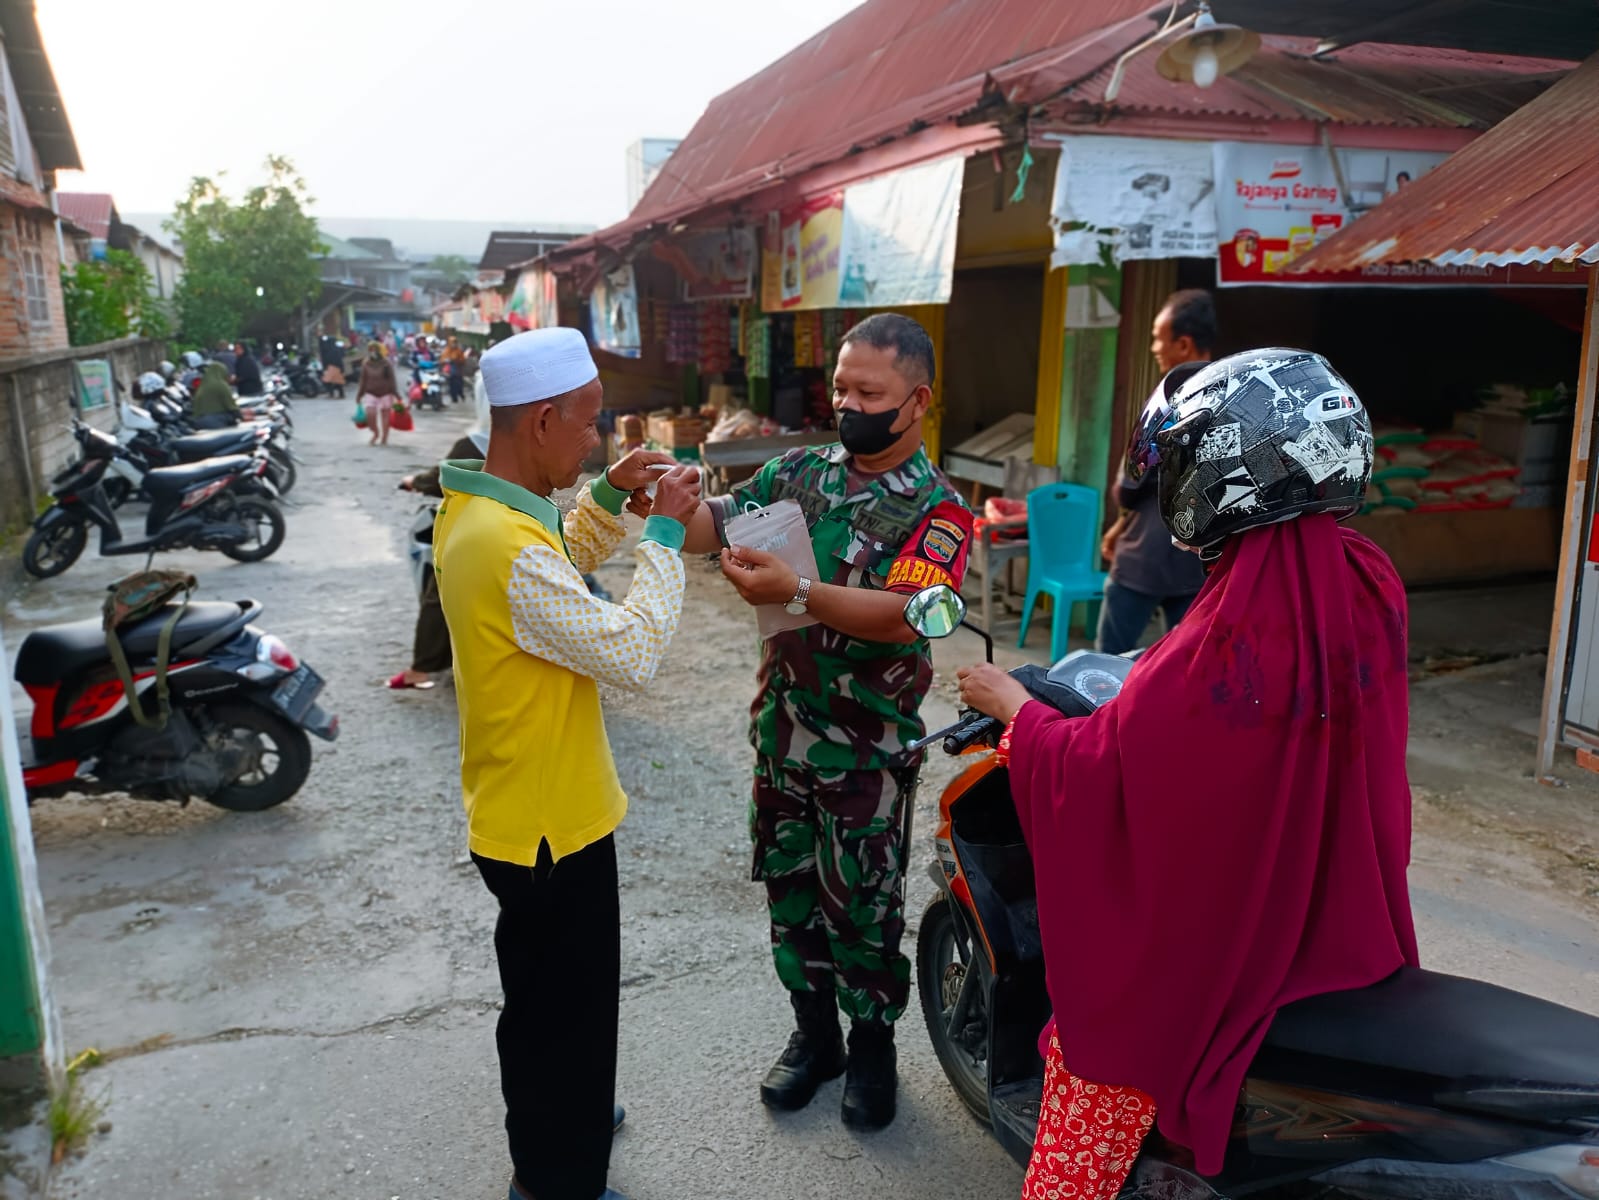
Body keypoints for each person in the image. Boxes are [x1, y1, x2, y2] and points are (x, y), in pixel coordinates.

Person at [956, 348, 1414, 1200]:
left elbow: (1104, 776)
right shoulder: (1366, 577)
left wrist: (1017, 710)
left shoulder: (1225, 634)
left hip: (1217, 940)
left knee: (1088, 1055)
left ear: (1215, 479)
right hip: (1331, 917)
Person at [670, 313, 974, 1130]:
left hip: (865, 754)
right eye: (840, 388)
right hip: (782, 736)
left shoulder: (938, 511)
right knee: (791, 897)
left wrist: (797, 593)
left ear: (917, 401)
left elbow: (909, 615)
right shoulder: (798, 472)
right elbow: (709, 527)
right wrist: (662, 502)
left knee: (863, 911)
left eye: (868, 392)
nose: (848, 405)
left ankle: (872, 1048)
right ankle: (815, 1038)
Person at [433, 328, 700, 1200]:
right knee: (563, 1012)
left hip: (532, 805)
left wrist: (611, 496)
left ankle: (570, 1116)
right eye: (587, 425)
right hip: (549, 826)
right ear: (542, 420)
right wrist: (664, 534)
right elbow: (629, 650)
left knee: (554, 1002)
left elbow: (554, 572)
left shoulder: (482, 513)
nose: (594, 441)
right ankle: (555, 1180)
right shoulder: (504, 544)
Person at [390, 375, 612, 691]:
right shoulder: (528, 452)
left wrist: (660, 533)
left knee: (438, 597)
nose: (594, 442)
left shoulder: (475, 446)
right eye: (587, 424)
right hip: (531, 533)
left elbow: (440, 478)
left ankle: (421, 668)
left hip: (499, 542)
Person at [1096, 289, 1213, 653]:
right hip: (1198, 562)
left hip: (1145, 559)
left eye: (1158, 338)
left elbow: (1131, 487)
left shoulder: (1170, 400)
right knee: (1187, 664)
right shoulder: (1231, 395)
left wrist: (1123, 504)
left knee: (1108, 665)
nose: (1153, 348)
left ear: (1183, 344)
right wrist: (1119, 526)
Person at [358, 341, 400, 446]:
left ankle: (384, 438)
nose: (373, 352)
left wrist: (396, 393)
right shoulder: (366, 364)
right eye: (371, 350)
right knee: (370, 414)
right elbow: (363, 380)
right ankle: (375, 433)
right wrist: (360, 394)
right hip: (371, 392)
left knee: (385, 416)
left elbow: (392, 379)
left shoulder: (386, 363)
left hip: (385, 392)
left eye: (375, 349)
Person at [189, 361, 238, 429]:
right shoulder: (220, 384)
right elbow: (231, 406)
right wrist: (242, 417)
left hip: (199, 420)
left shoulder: (204, 384)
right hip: (214, 420)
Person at [444, 335, 467, 404]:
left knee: (459, 384)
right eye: (452, 342)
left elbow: (463, 360)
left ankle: (461, 394)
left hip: (458, 371)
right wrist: (447, 361)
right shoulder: (446, 351)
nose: (453, 344)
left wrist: (457, 361)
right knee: (452, 385)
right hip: (450, 372)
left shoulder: (459, 351)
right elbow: (442, 360)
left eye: (455, 342)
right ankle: (454, 398)